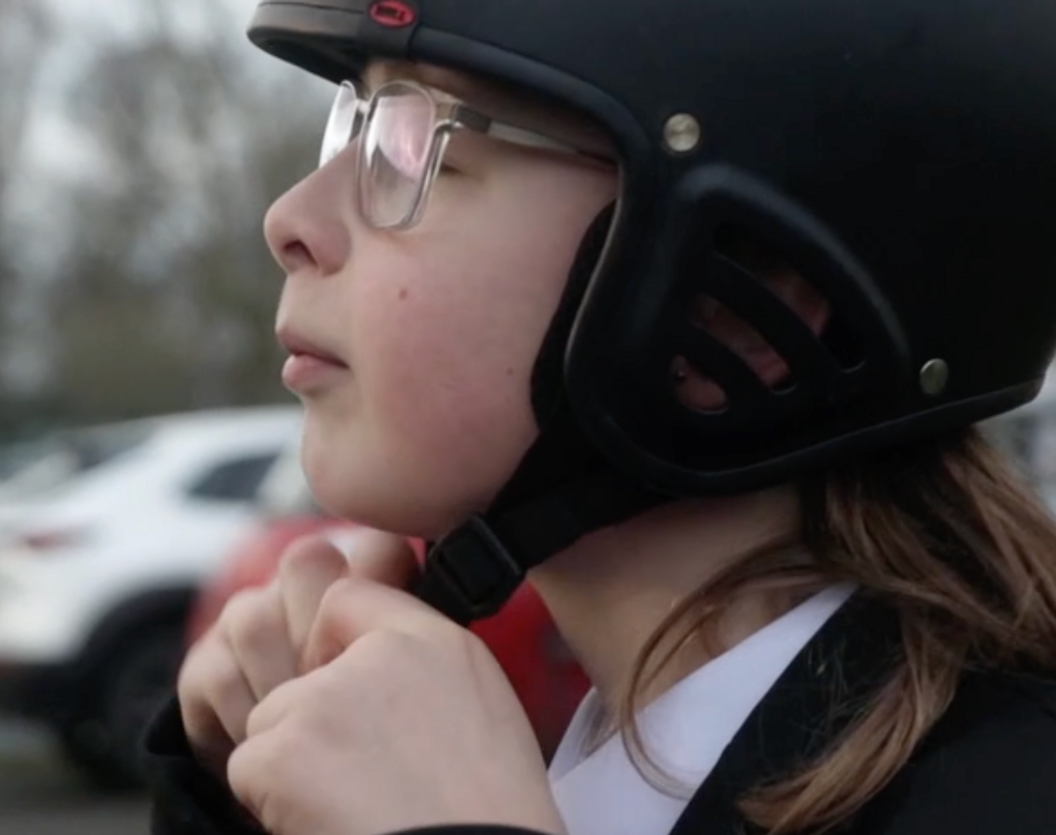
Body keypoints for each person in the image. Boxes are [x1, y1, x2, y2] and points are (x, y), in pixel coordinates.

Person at [140, 1, 1056, 833]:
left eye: (417, 144)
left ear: (736, 306)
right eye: (350, 121)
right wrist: (239, 802)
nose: (288, 218)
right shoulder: (504, 764)